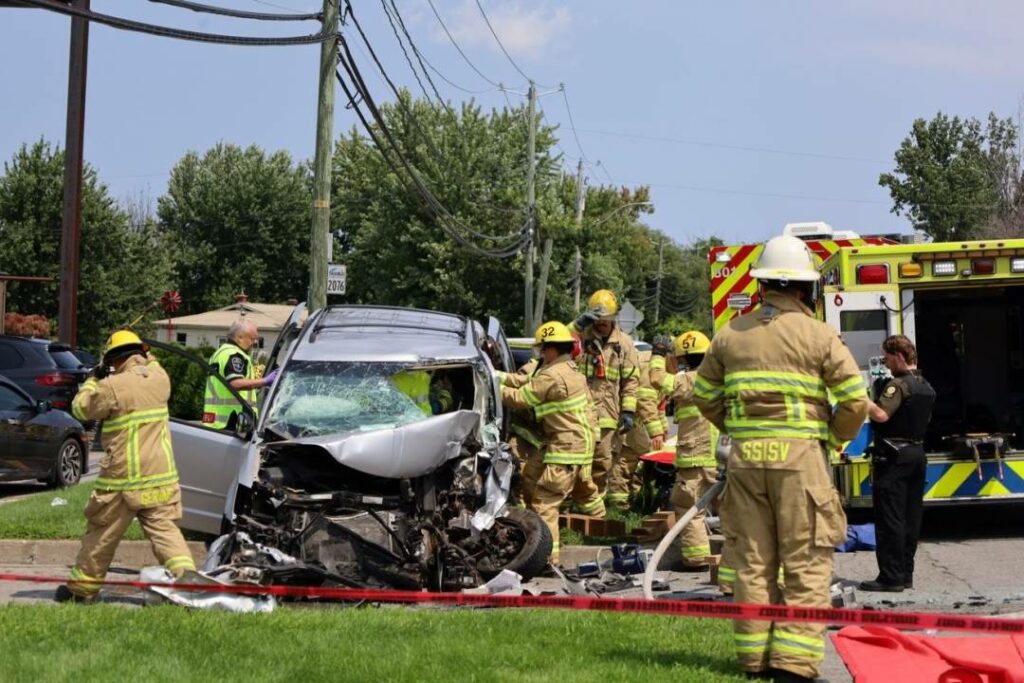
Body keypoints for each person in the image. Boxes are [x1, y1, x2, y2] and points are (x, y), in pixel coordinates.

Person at [693, 234, 869, 683]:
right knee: (806, 563)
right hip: (801, 464)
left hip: (747, 463)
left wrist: (738, 428)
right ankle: (793, 667)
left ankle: (754, 662)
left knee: (751, 564)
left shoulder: (730, 334)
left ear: (763, 284)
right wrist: (832, 437)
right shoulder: (818, 334)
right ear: (804, 289)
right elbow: (854, 400)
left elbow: (704, 395)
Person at [58, 330, 195, 603]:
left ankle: (81, 591)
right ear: (141, 352)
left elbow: (81, 409)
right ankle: (189, 583)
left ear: (113, 360)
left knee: (101, 535)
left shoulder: (111, 386)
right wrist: (144, 353)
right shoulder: (160, 377)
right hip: (160, 477)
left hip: (123, 479)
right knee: (166, 533)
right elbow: (151, 361)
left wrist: (92, 379)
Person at [499, 321, 604, 564]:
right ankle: (605, 526)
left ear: (553, 349)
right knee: (538, 482)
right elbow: (525, 381)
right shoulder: (569, 369)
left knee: (545, 502)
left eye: (543, 349)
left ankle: (546, 558)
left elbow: (520, 398)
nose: (541, 353)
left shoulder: (553, 375)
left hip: (565, 449)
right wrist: (498, 376)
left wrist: (491, 386)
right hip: (572, 445)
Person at [859, 335, 935, 593]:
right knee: (911, 519)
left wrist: (860, 399)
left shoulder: (898, 385)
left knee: (890, 518)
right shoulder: (926, 386)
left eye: (888, 358)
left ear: (899, 357)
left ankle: (890, 578)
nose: (886, 363)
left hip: (894, 458)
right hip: (917, 454)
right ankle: (905, 575)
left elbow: (881, 415)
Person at [571, 289, 640, 499]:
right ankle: (573, 502)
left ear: (613, 319)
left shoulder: (625, 343)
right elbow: (553, 346)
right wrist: (575, 326)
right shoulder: (580, 337)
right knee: (574, 458)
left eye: (606, 320)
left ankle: (595, 500)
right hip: (579, 411)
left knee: (602, 461)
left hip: (608, 414)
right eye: (597, 319)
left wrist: (628, 411)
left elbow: (631, 380)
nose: (601, 324)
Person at [668, 330, 720, 570]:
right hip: (722, 458)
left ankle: (697, 558)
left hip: (696, 458)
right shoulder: (720, 376)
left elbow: (659, 381)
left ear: (684, 359)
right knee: (733, 510)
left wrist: (659, 357)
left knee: (689, 507)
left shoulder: (689, 379)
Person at [607, 349, 665, 510]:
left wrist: (663, 429)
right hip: (628, 416)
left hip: (636, 418)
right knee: (626, 459)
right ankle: (620, 506)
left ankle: (634, 500)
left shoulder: (659, 365)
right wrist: (656, 432)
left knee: (634, 457)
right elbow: (645, 399)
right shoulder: (652, 366)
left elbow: (659, 405)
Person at [203, 318, 276, 429]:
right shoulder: (235, 355)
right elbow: (235, 383)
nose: (255, 342)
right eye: (252, 338)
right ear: (239, 337)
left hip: (216, 421)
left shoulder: (220, 353)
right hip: (233, 421)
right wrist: (265, 381)